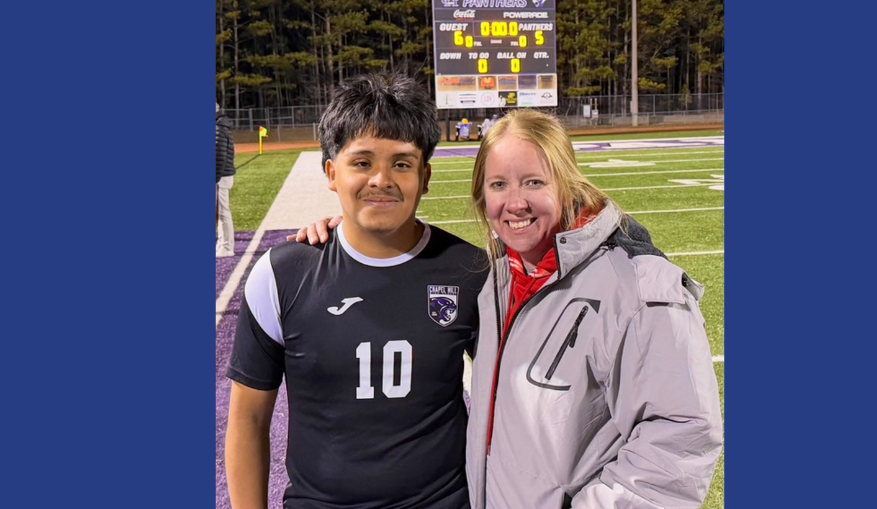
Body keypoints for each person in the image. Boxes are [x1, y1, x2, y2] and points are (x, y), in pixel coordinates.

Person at [295, 109, 723, 508]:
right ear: (483, 194)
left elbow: (680, 438)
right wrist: (349, 235)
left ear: (567, 182)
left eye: (534, 182)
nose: (515, 202)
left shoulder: (640, 288)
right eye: (499, 184)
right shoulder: (494, 281)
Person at [225, 72, 487, 509]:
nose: (381, 179)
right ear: (332, 172)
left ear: (425, 177)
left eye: (401, 164)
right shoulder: (282, 274)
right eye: (362, 162)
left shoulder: (472, 271)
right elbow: (249, 419)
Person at [216, 102, 237, 257]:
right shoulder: (222, 128)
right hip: (223, 175)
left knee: (223, 211)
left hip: (220, 177)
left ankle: (227, 246)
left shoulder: (218, 129)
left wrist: (215, 177)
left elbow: (219, 155)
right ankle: (222, 242)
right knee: (221, 211)